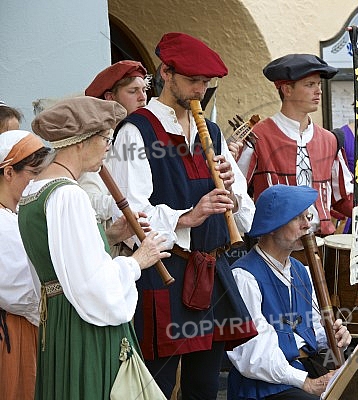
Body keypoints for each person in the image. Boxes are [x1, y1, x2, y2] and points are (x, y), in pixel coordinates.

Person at [106, 32, 257, 399]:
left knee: (205, 386)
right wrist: (188, 216)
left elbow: (246, 212)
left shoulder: (213, 131)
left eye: (206, 82)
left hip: (210, 272)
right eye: (193, 80)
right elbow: (129, 218)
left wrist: (232, 201)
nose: (200, 90)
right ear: (166, 73)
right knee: (155, 385)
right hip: (164, 275)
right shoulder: (136, 130)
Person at [18, 96, 170, 399]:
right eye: (105, 139)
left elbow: (60, 262)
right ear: (81, 142)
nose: (108, 149)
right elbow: (92, 283)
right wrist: (137, 261)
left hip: (59, 319)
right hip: (86, 322)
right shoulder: (68, 194)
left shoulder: (33, 192)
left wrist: (109, 237)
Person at [227, 184, 351, 399]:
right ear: (272, 226)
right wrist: (307, 383)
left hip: (305, 369)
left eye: (308, 216)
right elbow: (253, 354)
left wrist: (334, 336)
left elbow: (312, 332)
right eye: (297, 218)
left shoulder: (301, 271)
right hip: (264, 386)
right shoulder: (244, 276)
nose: (307, 226)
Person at [235, 53, 354, 235]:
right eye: (310, 85)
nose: (318, 91)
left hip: (320, 245)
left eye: (319, 84)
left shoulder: (329, 140)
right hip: (273, 244)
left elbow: (344, 198)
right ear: (287, 90)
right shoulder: (258, 136)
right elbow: (237, 192)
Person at [0, 130, 52, 400]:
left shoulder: (18, 214)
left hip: (28, 326)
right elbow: (20, 292)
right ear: (9, 173)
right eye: (33, 174)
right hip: (12, 333)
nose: (37, 183)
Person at [80, 61, 151, 250]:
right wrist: (125, 205)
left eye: (144, 90)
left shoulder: (145, 134)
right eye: (133, 91)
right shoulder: (96, 141)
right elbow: (88, 198)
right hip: (115, 248)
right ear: (110, 97)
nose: (142, 98)